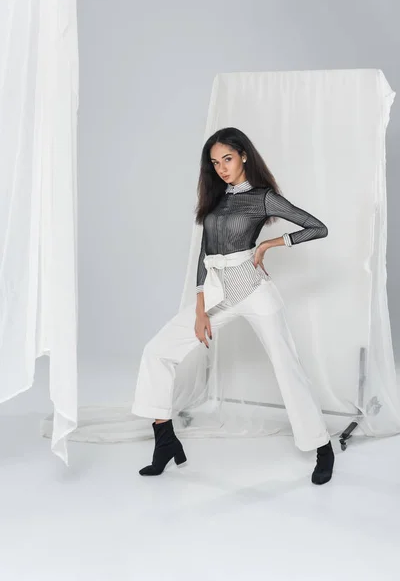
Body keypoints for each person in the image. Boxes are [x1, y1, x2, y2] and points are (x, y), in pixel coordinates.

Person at [132, 127, 335, 485]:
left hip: (254, 289)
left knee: (288, 368)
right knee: (157, 351)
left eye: (227, 158)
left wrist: (270, 244)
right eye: (215, 163)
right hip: (216, 291)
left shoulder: (263, 197)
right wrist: (199, 307)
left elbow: (317, 227)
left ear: (243, 155)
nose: (222, 168)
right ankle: (164, 441)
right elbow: (205, 252)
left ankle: (322, 447)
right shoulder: (216, 199)